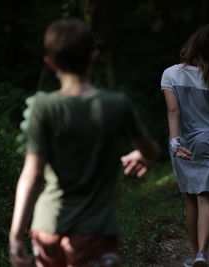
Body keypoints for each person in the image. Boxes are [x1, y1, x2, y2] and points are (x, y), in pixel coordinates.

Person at [9, 18, 160, 267]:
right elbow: (151, 150)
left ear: (50, 62)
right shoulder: (117, 105)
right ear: (94, 56)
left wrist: (15, 235)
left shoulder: (43, 107)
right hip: (96, 231)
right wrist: (144, 156)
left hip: (48, 228)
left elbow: (32, 175)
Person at [160, 24, 209, 267]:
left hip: (183, 143)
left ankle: (194, 255)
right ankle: (202, 252)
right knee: (207, 197)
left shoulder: (170, 74)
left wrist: (174, 142)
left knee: (189, 198)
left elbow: (173, 111)